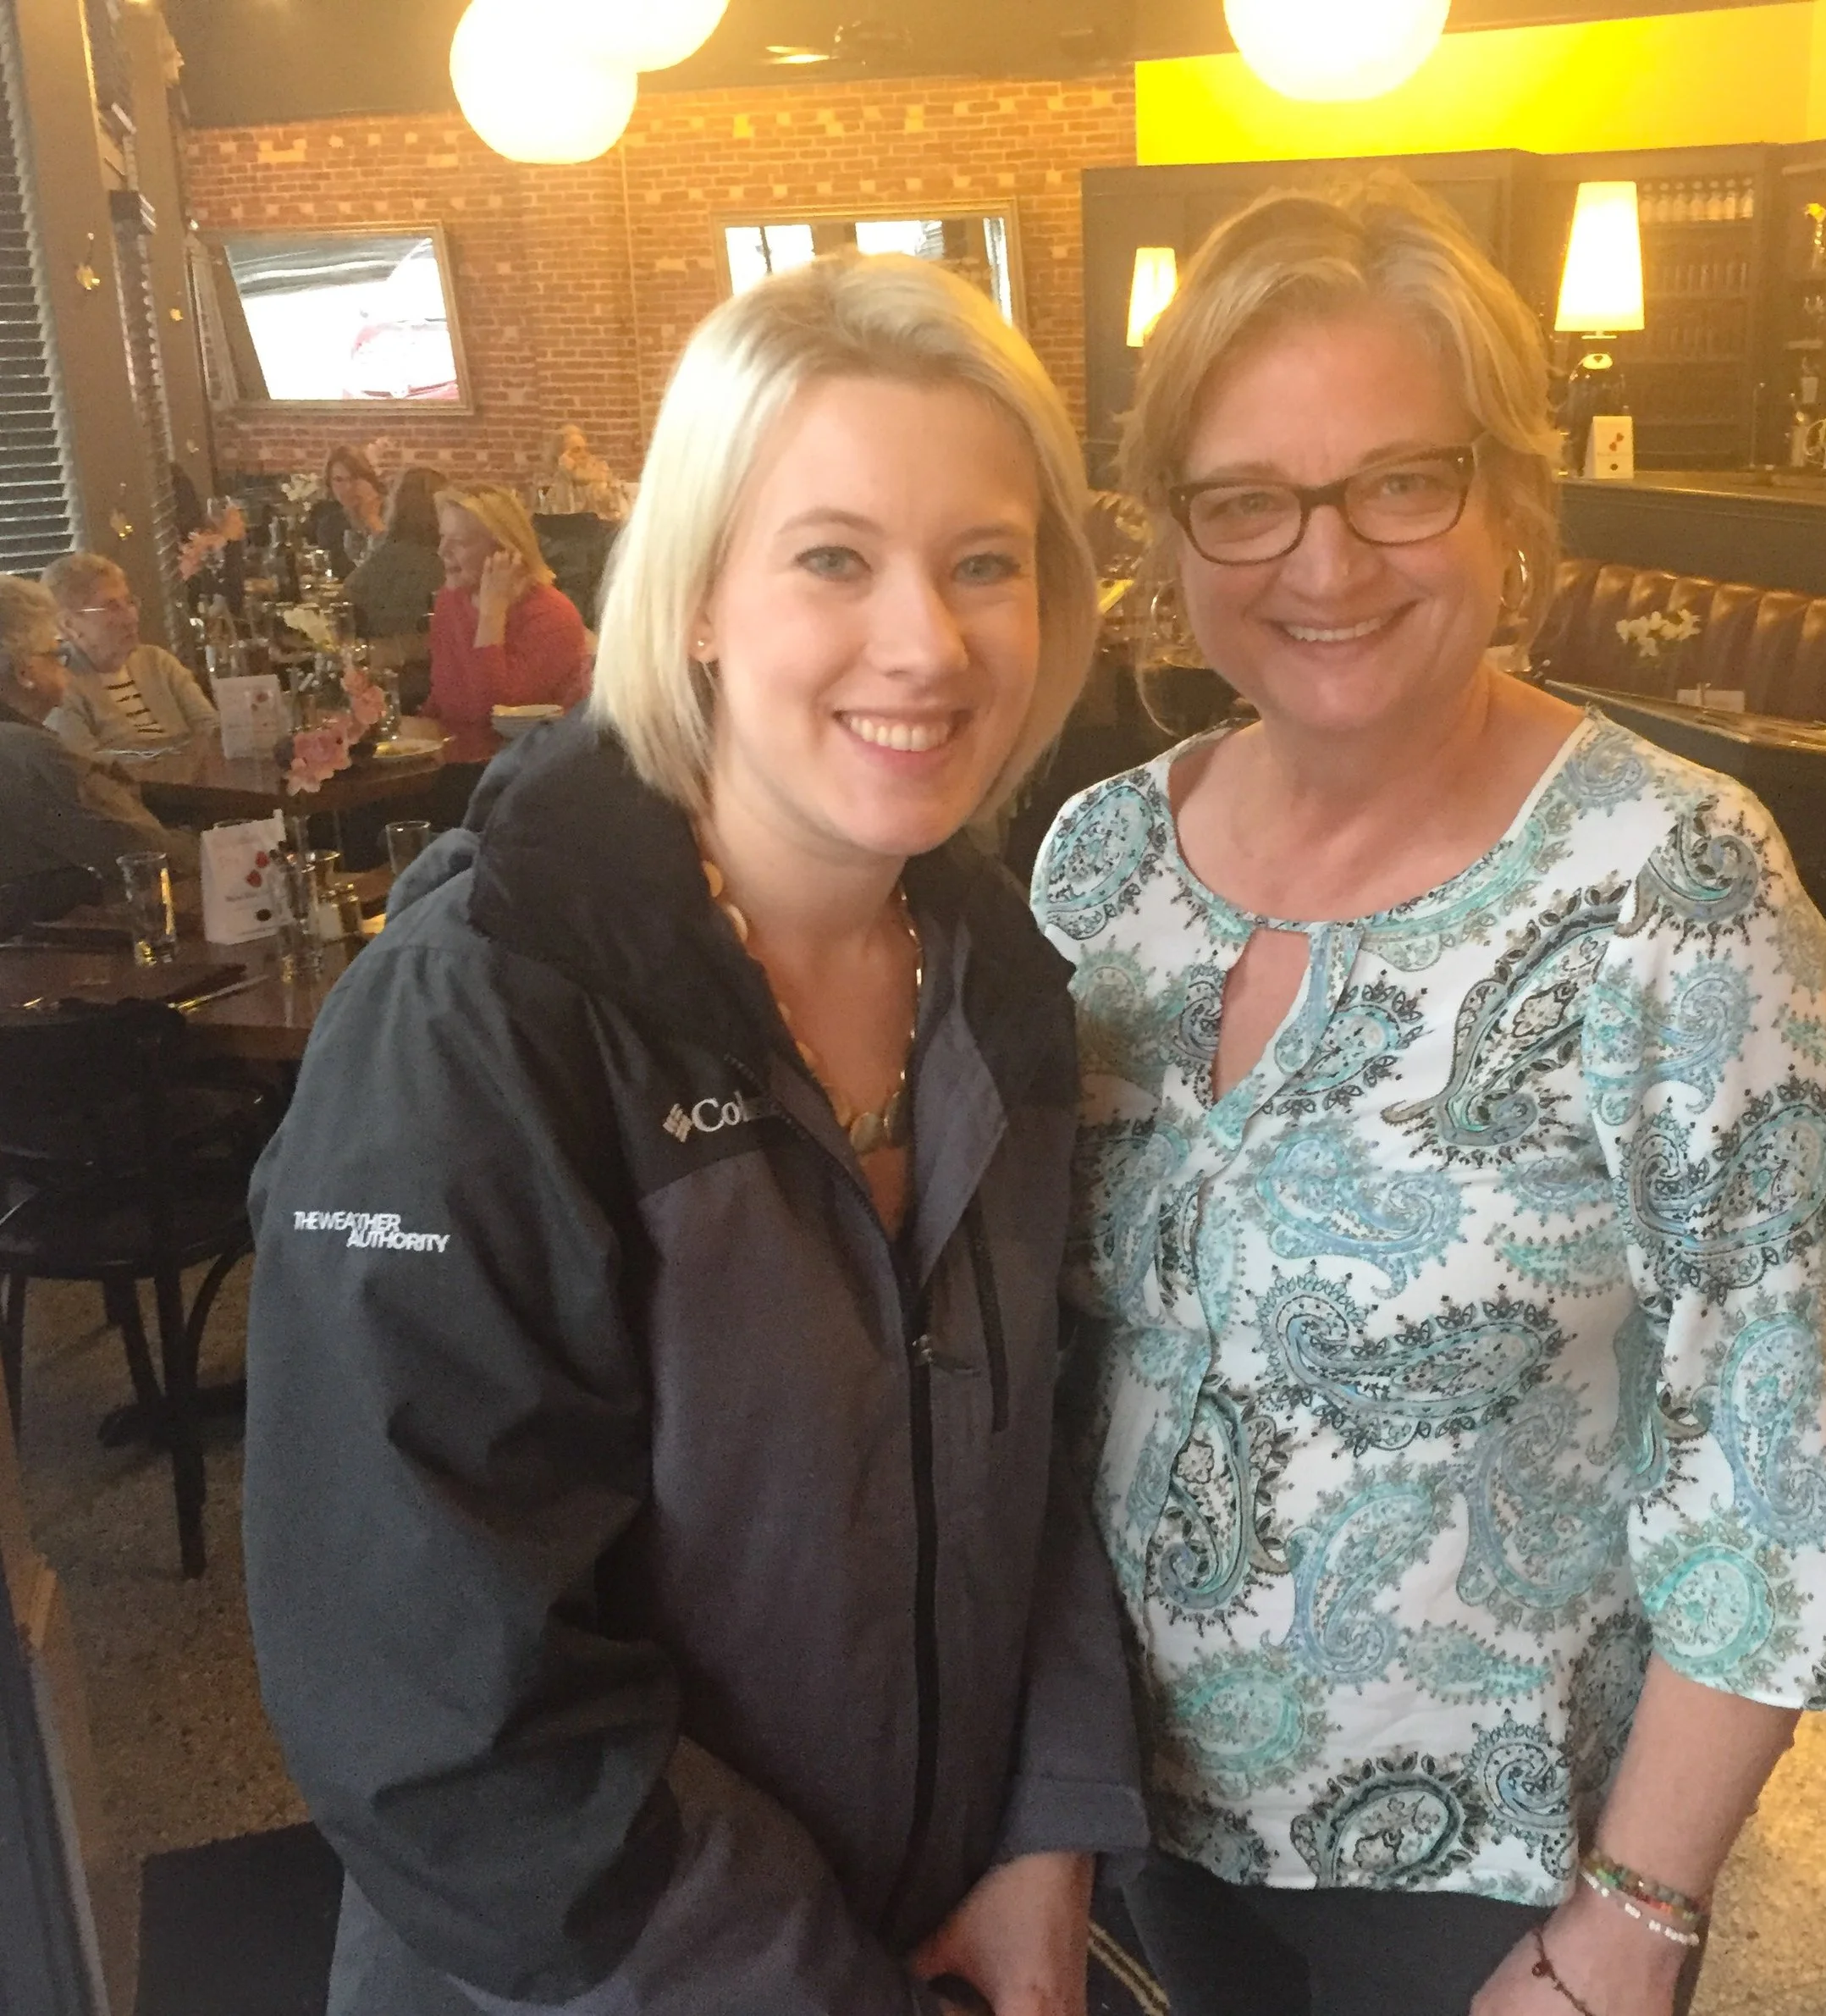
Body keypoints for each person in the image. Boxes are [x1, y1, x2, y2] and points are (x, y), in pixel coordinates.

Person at [242, 250, 1145, 2016]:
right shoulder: (481, 1018)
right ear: (701, 594)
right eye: (834, 558)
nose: (926, 641)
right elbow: (441, 1715)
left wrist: (1048, 1830)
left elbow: (1034, 1461)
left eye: (985, 562)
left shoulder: (1001, 987)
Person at [1030, 185, 1826, 2016]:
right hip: (1098, 1834)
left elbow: (1770, 1459)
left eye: (1399, 482)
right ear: (1169, 532)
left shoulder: (1674, 884)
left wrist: (1632, 1922)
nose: (1322, 562)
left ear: (1512, 502)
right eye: (1245, 498)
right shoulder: (1100, 865)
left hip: (1490, 1886)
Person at [0, 577, 196, 931]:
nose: (65, 664)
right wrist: (209, 844)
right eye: (57, 654)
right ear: (24, 673)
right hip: (57, 944)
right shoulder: (31, 756)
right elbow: (142, 851)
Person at [422, 478, 589, 770]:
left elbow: (491, 715)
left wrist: (491, 615)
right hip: (457, 767)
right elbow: (445, 701)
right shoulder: (451, 601)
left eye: (459, 542)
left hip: (532, 772)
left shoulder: (552, 614)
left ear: (504, 549)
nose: (442, 550)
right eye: (442, 537)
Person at [41, 553, 218, 754]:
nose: (131, 618)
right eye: (111, 607)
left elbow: (211, 730)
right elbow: (88, 763)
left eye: (129, 602)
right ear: (69, 625)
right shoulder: (58, 685)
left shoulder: (158, 662)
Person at [345, 463, 448, 643]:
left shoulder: (386, 555)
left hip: (382, 654)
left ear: (396, 506)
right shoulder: (450, 558)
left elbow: (350, 593)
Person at [312, 445, 389, 576]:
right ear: (329, 483)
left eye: (354, 479)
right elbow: (334, 574)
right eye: (339, 480)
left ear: (367, 480)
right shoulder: (330, 525)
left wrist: (372, 519)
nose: (347, 487)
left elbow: (395, 561)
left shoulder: (392, 513)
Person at [536, 420, 627, 520]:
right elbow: (562, 517)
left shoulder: (596, 480)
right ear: (561, 456)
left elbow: (617, 511)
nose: (584, 455)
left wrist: (605, 483)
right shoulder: (558, 486)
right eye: (577, 450)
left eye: (585, 449)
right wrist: (565, 474)